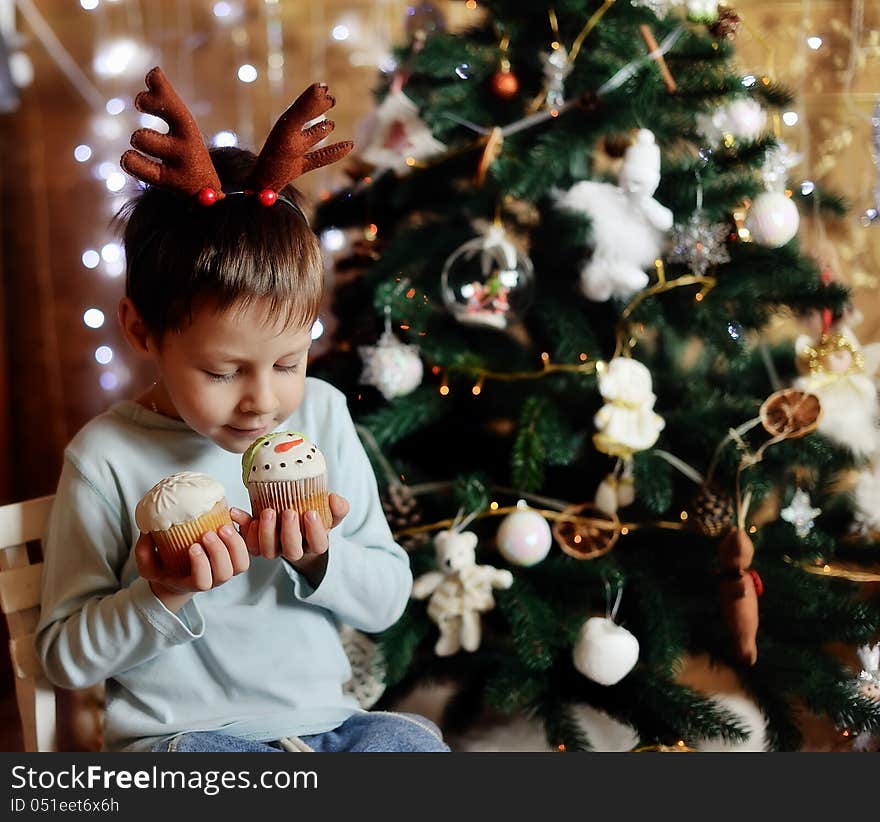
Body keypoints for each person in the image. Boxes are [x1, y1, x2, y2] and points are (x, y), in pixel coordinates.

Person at [35, 68, 448, 753]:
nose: (264, 399)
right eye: (223, 371)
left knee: (410, 745)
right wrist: (159, 592)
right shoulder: (105, 457)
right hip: (184, 742)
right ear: (142, 331)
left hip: (325, 728)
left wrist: (321, 557)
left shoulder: (319, 415)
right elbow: (63, 656)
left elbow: (386, 602)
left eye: (289, 362)